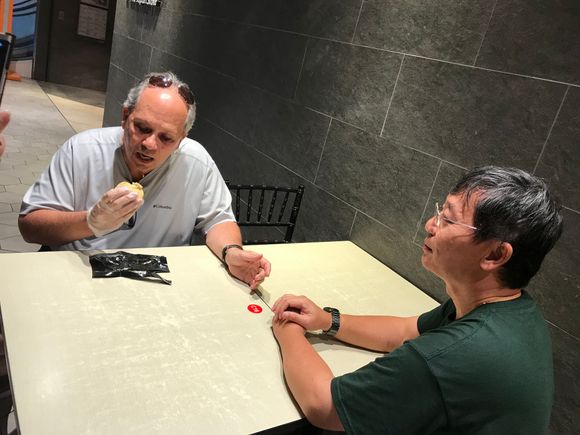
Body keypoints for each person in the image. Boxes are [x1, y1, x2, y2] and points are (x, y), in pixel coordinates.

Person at [272, 166, 562, 434]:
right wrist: (327, 320)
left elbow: (324, 407)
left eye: (448, 219)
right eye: (439, 212)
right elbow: (404, 331)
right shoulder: (512, 308)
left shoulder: (455, 354)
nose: (430, 224)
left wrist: (288, 328)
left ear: (495, 255)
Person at [18, 72, 269, 289]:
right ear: (125, 116)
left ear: (181, 139)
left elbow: (217, 219)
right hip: (81, 273)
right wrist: (90, 222)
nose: (149, 144)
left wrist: (231, 252)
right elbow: (30, 226)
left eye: (166, 138)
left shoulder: (196, 162)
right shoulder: (82, 150)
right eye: (142, 128)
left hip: (155, 281)